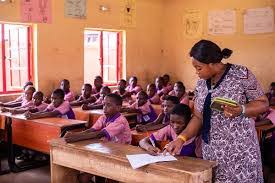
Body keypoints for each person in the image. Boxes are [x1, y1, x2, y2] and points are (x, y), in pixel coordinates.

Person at [164, 40, 268, 182]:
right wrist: (181, 139)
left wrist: (241, 109)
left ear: (212, 63)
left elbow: (263, 104)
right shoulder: (201, 84)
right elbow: (198, 117)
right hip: (212, 152)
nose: (196, 72)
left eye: (199, 68)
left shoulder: (241, 74)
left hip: (240, 151)